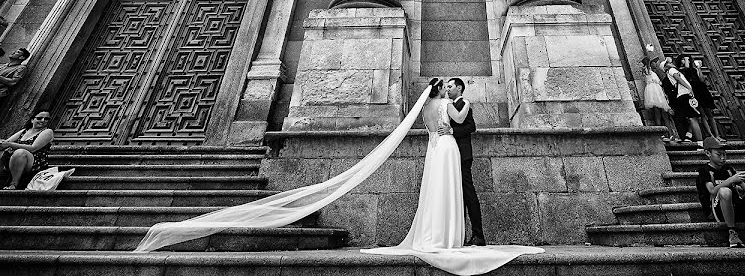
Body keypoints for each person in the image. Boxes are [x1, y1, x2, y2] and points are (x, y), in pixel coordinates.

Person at [134, 81, 543, 275]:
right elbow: (455, 122)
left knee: (440, 194)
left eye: (456, 87)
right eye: (450, 86)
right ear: (446, 89)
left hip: (440, 150)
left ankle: (450, 234)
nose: (453, 88)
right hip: (445, 148)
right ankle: (454, 236)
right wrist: (457, 107)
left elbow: (441, 125)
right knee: (445, 193)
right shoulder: (455, 104)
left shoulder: (427, 107)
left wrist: (448, 112)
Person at [438, 77, 485, 245]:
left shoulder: (464, 103)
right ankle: (460, 236)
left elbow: (471, 127)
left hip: (462, 155)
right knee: (455, 195)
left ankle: (478, 235)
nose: (448, 89)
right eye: (447, 87)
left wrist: (451, 130)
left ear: (459, 87)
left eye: (450, 86)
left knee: (468, 193)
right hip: (450, 155)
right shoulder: (448, 105)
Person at [0, 109, 53, 189]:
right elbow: (6, 142)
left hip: (35, 163)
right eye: (39, 118)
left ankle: (14, 183)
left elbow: (33, 148)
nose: (43, 120)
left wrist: (10, 144)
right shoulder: (24, 131)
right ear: (32, 120)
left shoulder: (47, 131)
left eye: (46, 119)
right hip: (14, 161)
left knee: (20, 152)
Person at [677, 54, 722, 142]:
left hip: (702, 91)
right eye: (682, 59)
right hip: (694, 92)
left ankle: (717, 135)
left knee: (710, 114)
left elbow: (701, 79)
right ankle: (710, 135)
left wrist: (699, 68)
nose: (685, 61)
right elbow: (686, 67)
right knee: (702, 115)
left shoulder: (695, 70)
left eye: (686, 59)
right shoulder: (681, 70)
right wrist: (686, 58)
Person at [661, 57, 703, 145]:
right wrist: (689, 88)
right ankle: (700, 143)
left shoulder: (671, 72)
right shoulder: (671, 70)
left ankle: (688, 136)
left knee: (689, 117)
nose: (671, 63)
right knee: (692, 118)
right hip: (685, 94)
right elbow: (678, 79)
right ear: (666, 67)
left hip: (681, 95)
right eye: (668, 63)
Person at [640, 57, 678, 141]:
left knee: (663, 114)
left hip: (657, 92)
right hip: (654, 92)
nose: (655, 64)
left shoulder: (651, 73)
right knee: (659, 114)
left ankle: (668, 134)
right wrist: (648, 61)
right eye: (654, 62)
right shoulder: (647, 71)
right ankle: (664, 134)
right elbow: (647, 68)